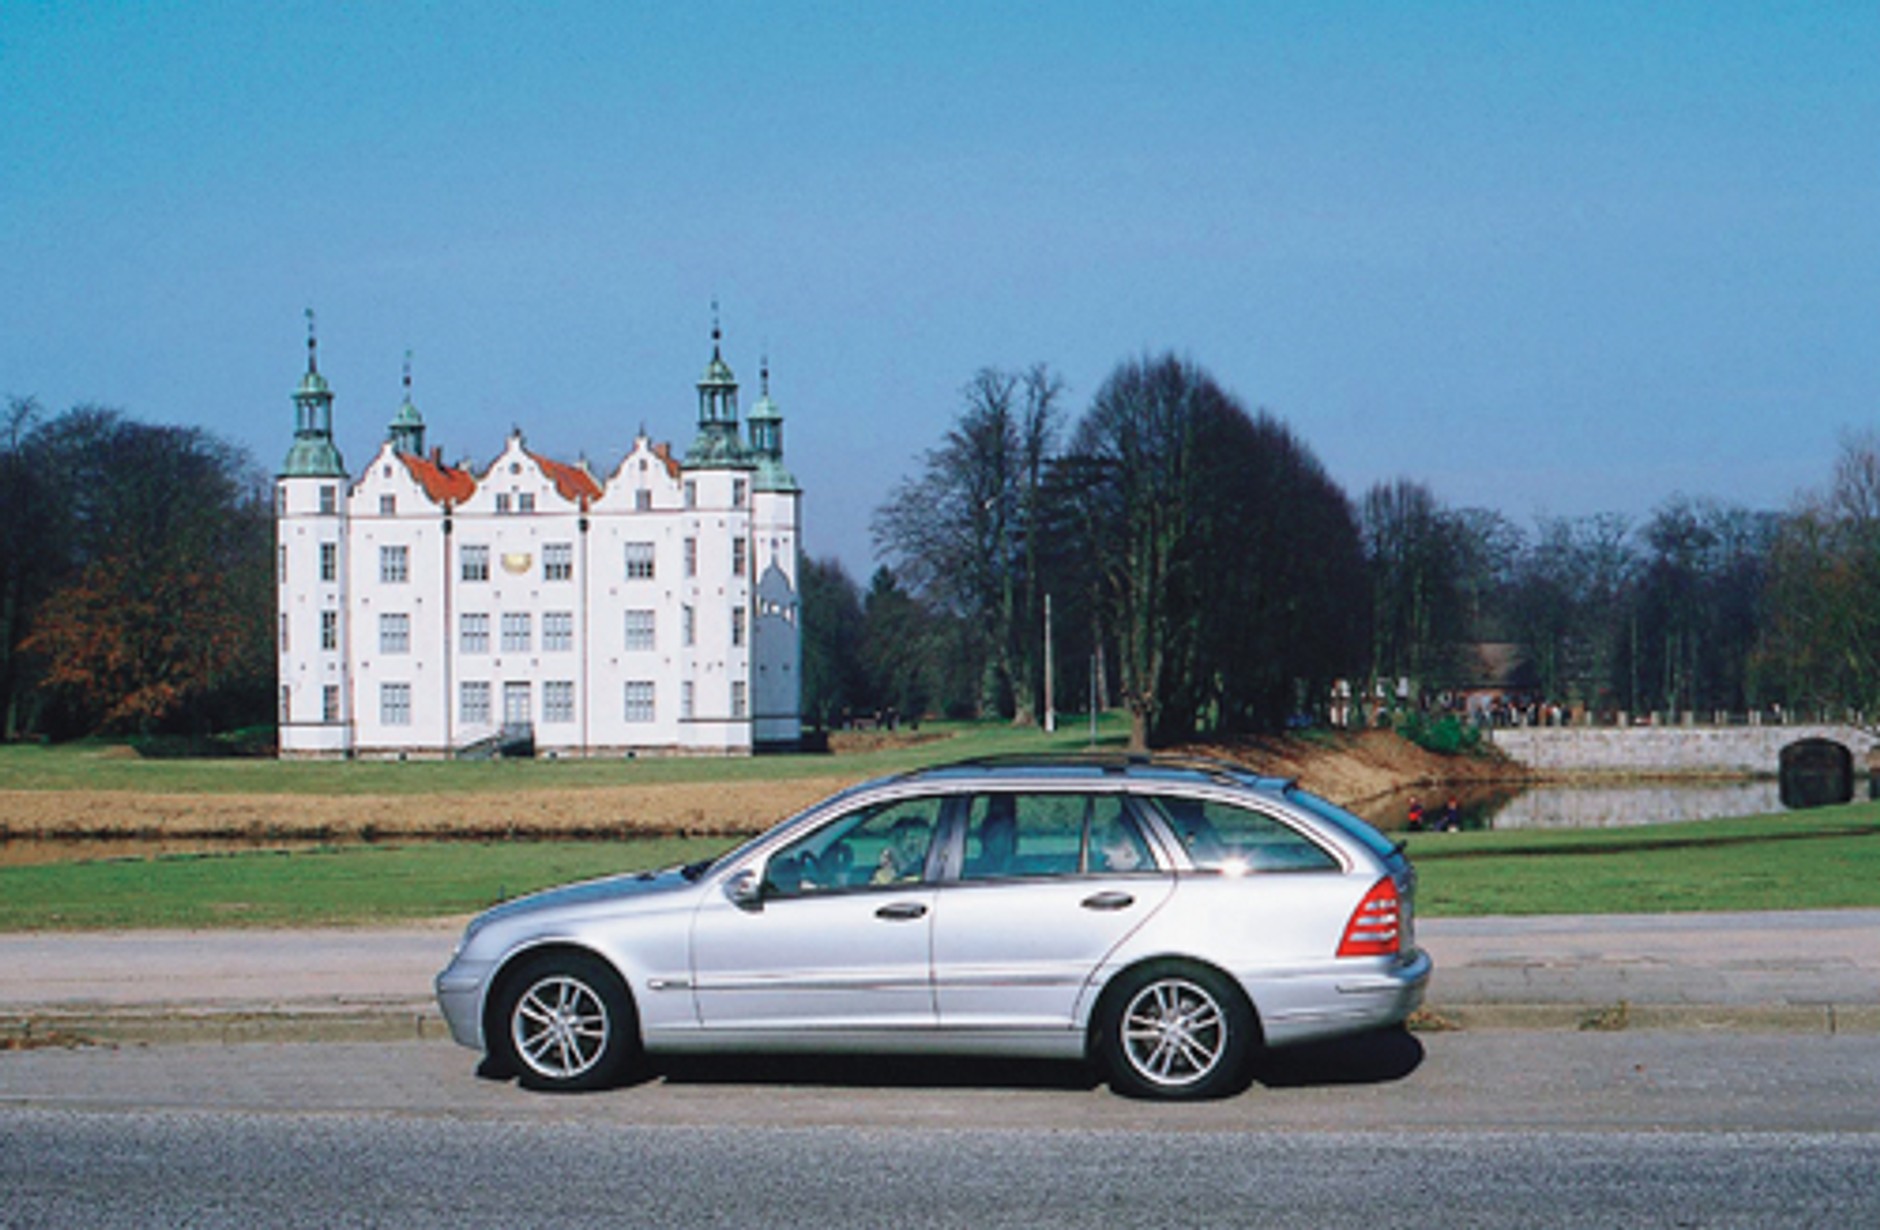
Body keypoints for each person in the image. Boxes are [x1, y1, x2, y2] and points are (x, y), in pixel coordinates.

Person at [871, 815, 932, 885]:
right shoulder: (882, 876)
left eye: (922, 839)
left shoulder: (929, 871)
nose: (916, 842)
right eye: (911, 838)